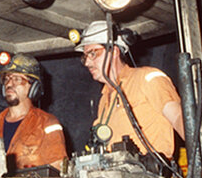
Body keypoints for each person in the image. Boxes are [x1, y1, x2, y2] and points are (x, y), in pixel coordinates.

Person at [77, 20, 184, 160]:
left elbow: (178, 117)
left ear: (114, 51)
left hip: (151, 177)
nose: (87, 63)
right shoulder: (104, 98)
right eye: (85, 57)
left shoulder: (147, 78)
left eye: (93, 54)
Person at [0, 53, 67, 170]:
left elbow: (58, 168)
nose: (9, 84)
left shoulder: (47, 123)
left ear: (34, 88)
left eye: (17, 79)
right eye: (7, 78)